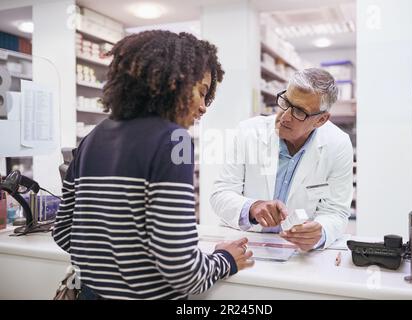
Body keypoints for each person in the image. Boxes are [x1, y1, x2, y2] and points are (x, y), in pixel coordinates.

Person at [52, 30, 254, 300]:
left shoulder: (92, 138)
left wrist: (112, 264)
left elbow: (64, 232)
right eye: (202, 91)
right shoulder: (174, 140)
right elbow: (182, 271)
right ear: (174, 81)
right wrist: (224, 259)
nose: (204, 107)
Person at [210, 68, 353, 251]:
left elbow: (336, 211)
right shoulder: (248, 132)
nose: (284, 116)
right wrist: (252, 207)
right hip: (244, 242)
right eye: (286, 102)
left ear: (321, 120)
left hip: (297, 251)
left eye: (299, 112)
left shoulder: (338, 144)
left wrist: (321, 232)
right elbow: (220, 194)